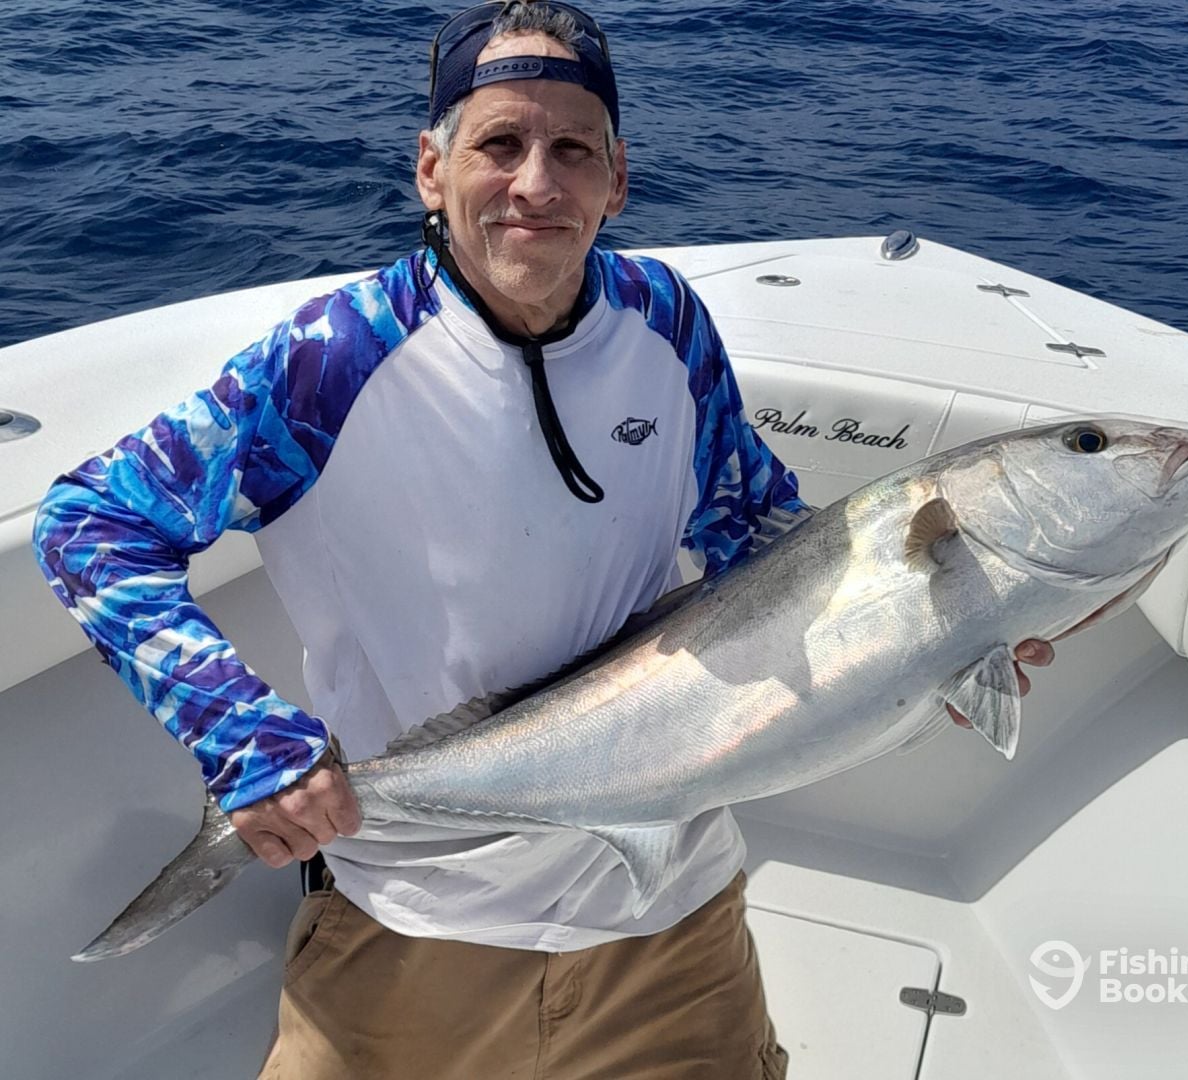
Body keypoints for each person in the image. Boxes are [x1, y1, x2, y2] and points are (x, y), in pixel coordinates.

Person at [31, 3, 1053, 1076]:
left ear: (618, 180)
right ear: (432, 170)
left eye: (573, 150)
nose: (536, 184)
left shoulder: (664, 319)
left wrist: (920, 637)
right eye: (499, 144)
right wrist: (240, 734)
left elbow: (756, 529)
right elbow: (90, 524)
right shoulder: (332, 360)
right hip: (418, 917)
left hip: (672, 917)